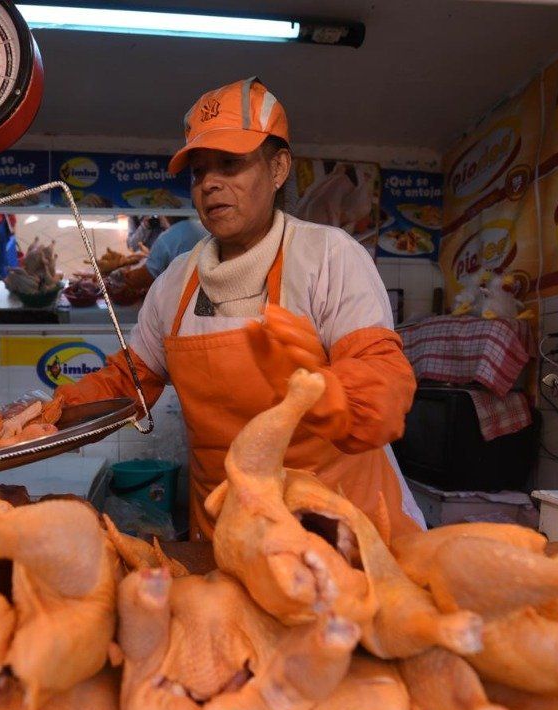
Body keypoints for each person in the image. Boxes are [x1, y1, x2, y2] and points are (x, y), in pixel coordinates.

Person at [53, 77, 424, 541]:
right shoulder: (174, 284)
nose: (210, 184)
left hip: (340, 534)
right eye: (198, 172)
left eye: (230, 164)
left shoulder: (329, 257)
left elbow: (380, 380)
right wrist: (52, 413)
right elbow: (127, 384)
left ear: (278, 168)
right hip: (229, 537)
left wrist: (330, 396)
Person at [106, 216, 210, 297]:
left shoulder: (167, 238)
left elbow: (146, 276)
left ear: (165, 215)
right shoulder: (203, 229)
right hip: (207, 290)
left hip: (181, 295)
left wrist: (122, 277)